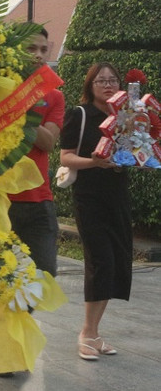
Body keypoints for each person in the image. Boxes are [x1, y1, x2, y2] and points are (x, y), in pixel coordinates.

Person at [60, 62, 132, 361]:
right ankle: (87, 333)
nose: (108, 85)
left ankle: (94, 331)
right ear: (90, 86)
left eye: (113, 80)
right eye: (101, 80)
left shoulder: (126, 116)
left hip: (118, 196)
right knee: (100, 262)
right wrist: (94, 162)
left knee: (116, 264)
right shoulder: (80, 114)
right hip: (89, 198)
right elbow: (65, 157)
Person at [6, 27, 64, 278]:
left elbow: (48, 142)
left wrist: (22, 108)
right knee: (0, 280)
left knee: (43, 275)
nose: (38, 55)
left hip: (38, 199)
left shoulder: (54, 96)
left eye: (43, 49)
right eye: (31, 48)